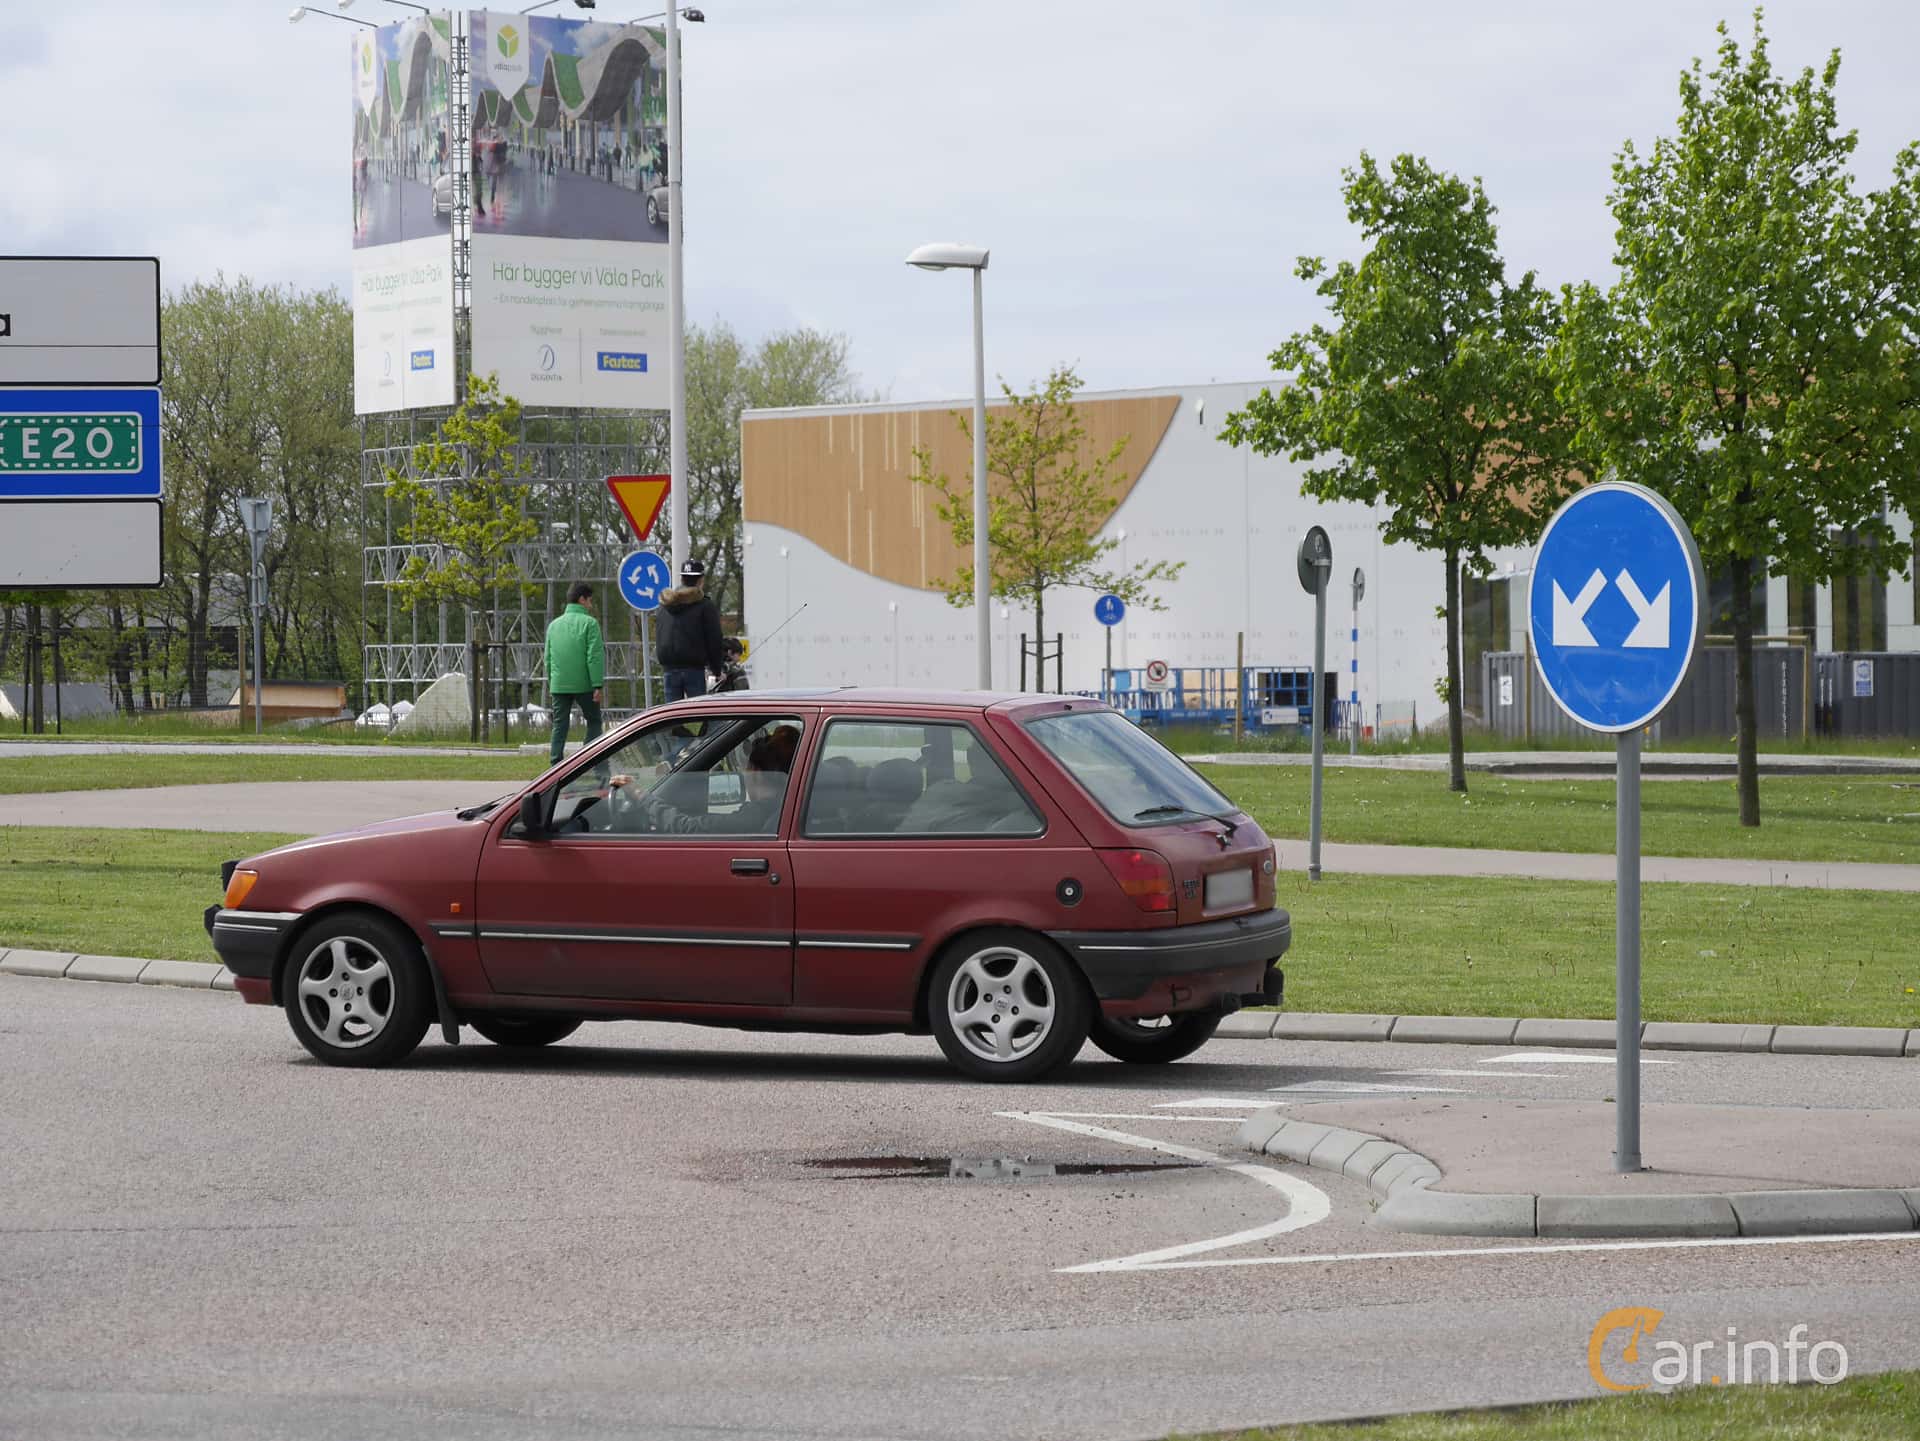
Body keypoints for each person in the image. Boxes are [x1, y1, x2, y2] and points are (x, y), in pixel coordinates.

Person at [544, 581, 605, 764]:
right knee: (594, 721)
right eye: (589, 600)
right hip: (584, 683)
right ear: (582, 599)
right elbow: (594, 656)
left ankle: (555, 763)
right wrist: (597, 685)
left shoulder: (553, 626)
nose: (590, 605)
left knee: (559, 724)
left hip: (559, 684)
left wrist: (552, 682)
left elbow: (548, 658)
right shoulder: (590, 624)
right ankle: (587, 759)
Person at [657, 559, 727, 702]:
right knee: (698, 715)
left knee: (671, 718)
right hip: (693, 669)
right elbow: (714, 639)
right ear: (700, 580)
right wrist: (717, 670)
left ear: (682, 578)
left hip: (669, 669)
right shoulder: (704, 605)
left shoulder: (665, 605)